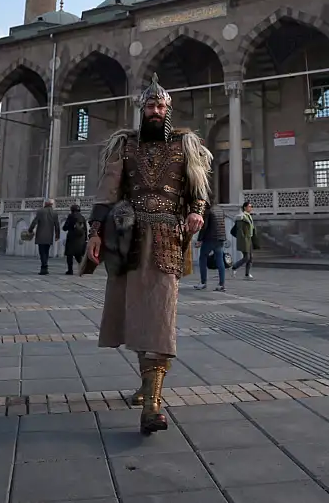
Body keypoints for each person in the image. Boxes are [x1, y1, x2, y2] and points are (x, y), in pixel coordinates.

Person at [84, 73, 211, 435]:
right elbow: (107, 192)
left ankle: (153, 405)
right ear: (142, 109)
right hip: (129, 238)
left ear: (168, 108)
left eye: (160, 105)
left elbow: (197, 187)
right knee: (136, 313)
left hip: (168, 237)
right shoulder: (125, 146)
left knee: (159, 314)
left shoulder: (186, 144)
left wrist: (196, 210)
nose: (155, 110)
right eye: (150, 105)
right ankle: (147, 386)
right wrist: (95, 233)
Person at [193, 202, 227, 292]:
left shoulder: (208, 211)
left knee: (202, 258)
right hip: (220, 238)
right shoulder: (220, 209)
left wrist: (199, 239)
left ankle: (203, 282)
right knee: (220, 260)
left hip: (210, 238)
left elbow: (204, 227)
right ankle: (221, 284)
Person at [29, 199, 61, 275]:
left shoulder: (40, 211)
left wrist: (30, 230)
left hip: (40, 235)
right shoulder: (54, 213)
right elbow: (57, 225)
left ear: (46, 203)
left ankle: (44, 267)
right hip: (49, 235)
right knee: (46, 251)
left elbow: (34, 222)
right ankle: (45, 266)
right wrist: (57, 235)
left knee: (42, 252)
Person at [232, 202, 255, 279]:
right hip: (244, 239)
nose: (250, 208)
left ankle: (247, 274)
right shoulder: (241, 217)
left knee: (250, 257)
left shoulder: (249, 216)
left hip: (250, 238)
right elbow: (240, 230)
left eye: (251, 206)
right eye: (249, 206)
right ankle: (234, 266)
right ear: (245, 207)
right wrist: (244, 238)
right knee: (247, 257)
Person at [62, 204, 87, 275]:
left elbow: (65, 227)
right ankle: (83, 269)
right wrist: (85, 239)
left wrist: (67, 227)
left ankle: (70, 270)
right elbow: (85, 229)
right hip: (80, 240)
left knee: (69, 255)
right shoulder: (82, 217)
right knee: (78, 255)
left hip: (72, 239)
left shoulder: (71, 216)